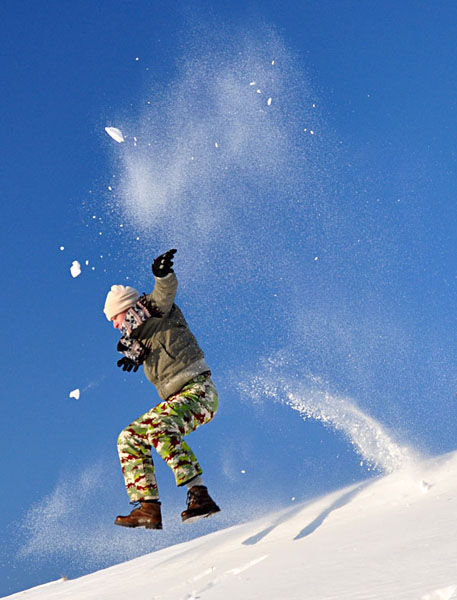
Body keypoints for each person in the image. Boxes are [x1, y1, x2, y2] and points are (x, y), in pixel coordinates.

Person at [103, 248, 220, 530]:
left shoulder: (156, 310)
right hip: (179, 398)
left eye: (115, 318)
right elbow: (137, 342)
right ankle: (147, 507)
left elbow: (165, 291)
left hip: (199, 391)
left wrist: (162, 274)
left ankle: (199, 494)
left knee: (158, 428)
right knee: (129, 437)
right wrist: (136, 352)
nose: (115, 325)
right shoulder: (137, 341)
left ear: (126, 308)